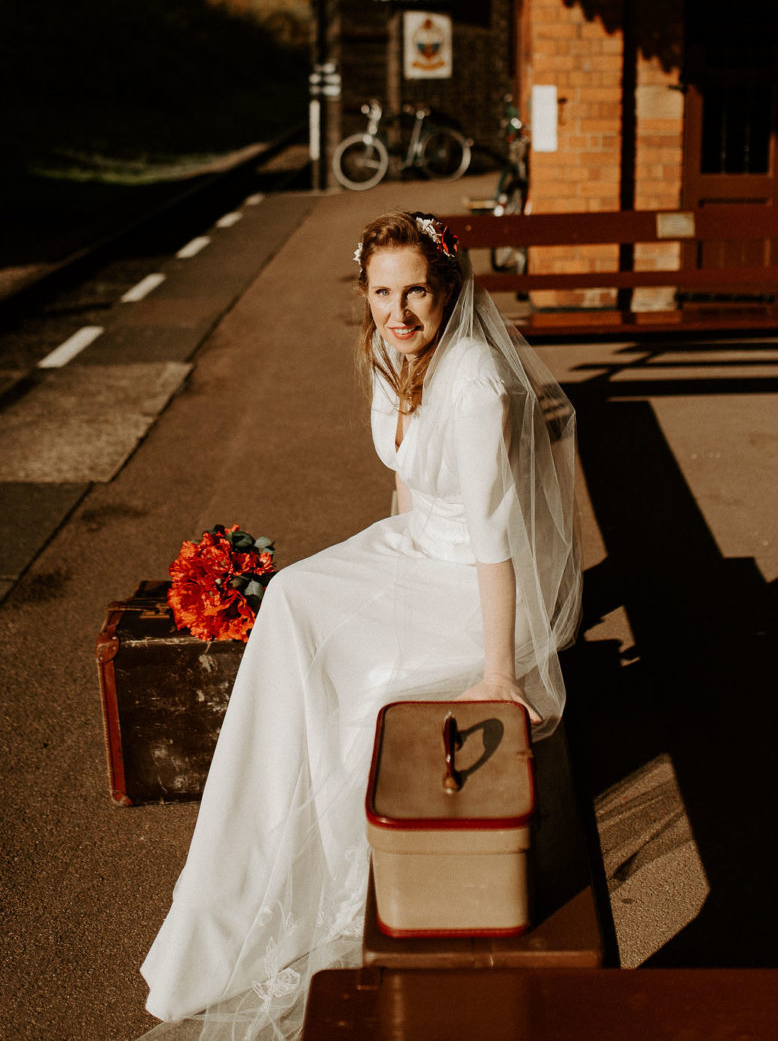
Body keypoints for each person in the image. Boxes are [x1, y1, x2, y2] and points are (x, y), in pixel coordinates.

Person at [138, 210, 581, 1041]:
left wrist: (497, 674)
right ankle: (236, 892)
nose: (399, 310)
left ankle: (336, 879)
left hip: (476, 584)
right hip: (419, 550)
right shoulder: (390, 352)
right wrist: (381, 564)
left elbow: (493, 542)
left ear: (447, 285)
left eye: (416, 289)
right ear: (366, 294)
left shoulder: (477, 382)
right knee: (295, 604)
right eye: (383, 292)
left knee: (351, 670)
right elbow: (409, 485)